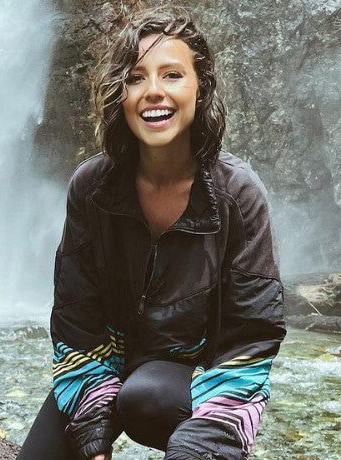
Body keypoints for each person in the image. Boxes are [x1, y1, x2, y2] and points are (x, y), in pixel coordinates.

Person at [18, 7, 285, 460]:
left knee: (145, 397)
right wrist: (91, 424)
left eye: (173, 74)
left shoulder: (238, 194)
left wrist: (204, 442)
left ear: (200, 88)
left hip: (198, 380)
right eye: (136, 77)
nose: (153, 92)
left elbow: (251, 336)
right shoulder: (91, 188)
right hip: (104, 364)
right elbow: (76, 318)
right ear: (119, 94)